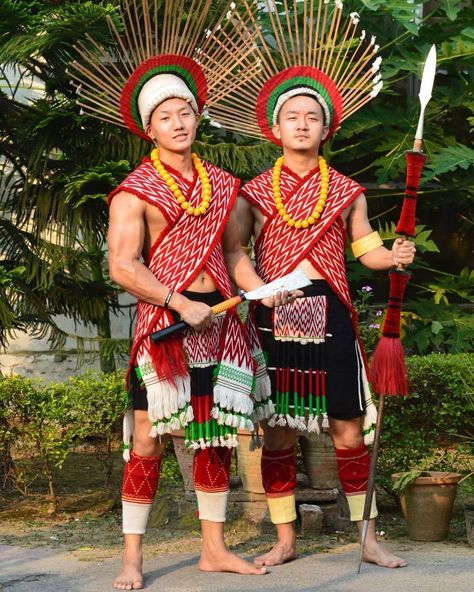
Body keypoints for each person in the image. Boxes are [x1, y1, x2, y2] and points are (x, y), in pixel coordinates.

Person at [69, 2, 296, 589]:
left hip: (221, 322)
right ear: (149, 128)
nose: (179, 121)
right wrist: (178, 301)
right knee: (147, 436)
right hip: (166, 329)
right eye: (167, 115)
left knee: (213, 433)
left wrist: (261, 291)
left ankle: (213, 549)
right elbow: (123, 265)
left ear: (199, 119)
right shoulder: (134, 190)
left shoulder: (222, 184)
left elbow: (233, 255)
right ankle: (132, 558)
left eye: (187, 112)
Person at [203, 0, 416, 572]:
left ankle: (366, 539)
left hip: (332, 312)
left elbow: (364, 248)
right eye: (291, 116)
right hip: (276, 312)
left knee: (347, 426)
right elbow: (235, 251)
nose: (301, 123)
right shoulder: (252, 190)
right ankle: (285, 538)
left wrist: (390, 255)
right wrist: (257, 290)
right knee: (276, 433)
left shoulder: (347, 190)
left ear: (327, 127)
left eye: (311, 116)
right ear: (274, 127)